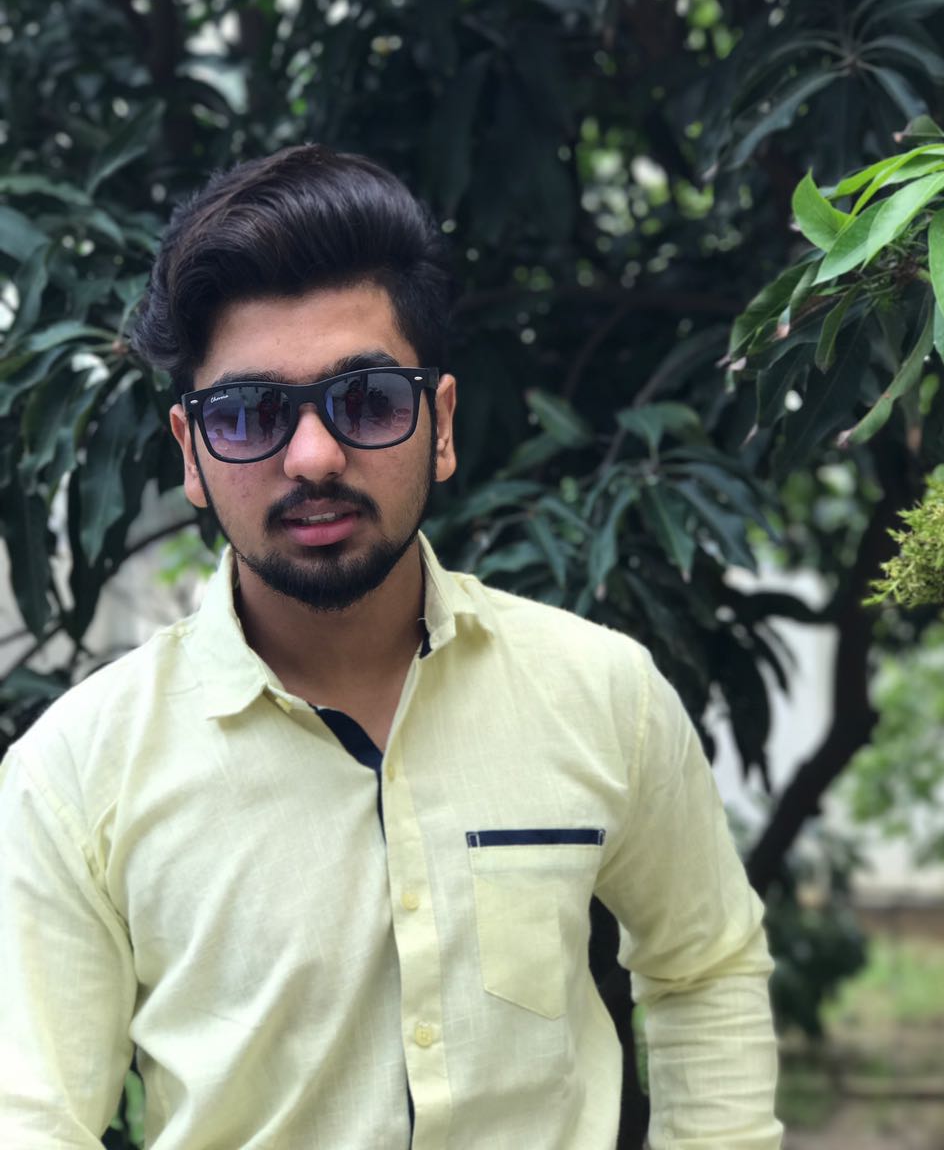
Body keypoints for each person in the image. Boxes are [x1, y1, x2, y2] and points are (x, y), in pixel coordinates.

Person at [0, 145, 783, 1149]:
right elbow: (32, 1117)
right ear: (191, 452)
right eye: (248, 413)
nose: (313, 455)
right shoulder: (76, 772)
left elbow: (705, 964)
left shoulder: (603, 693)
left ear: (440, 424)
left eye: (367, 398)